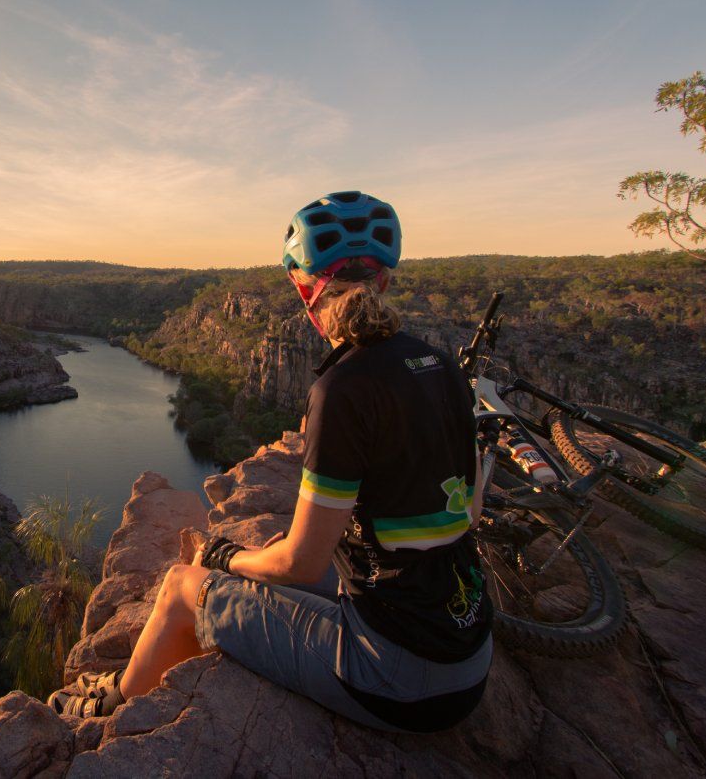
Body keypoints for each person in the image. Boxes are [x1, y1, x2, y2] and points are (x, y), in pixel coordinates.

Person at [46, 190, 492, 733]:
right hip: (469, 656)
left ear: (304, 291)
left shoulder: (343, 388)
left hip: (398, 677)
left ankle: (111, 708)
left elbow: (300, 565)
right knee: (269, 562)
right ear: (385, 282)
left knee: (182, 586)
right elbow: (469, 512)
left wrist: (227, 556)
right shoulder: (442, 365)